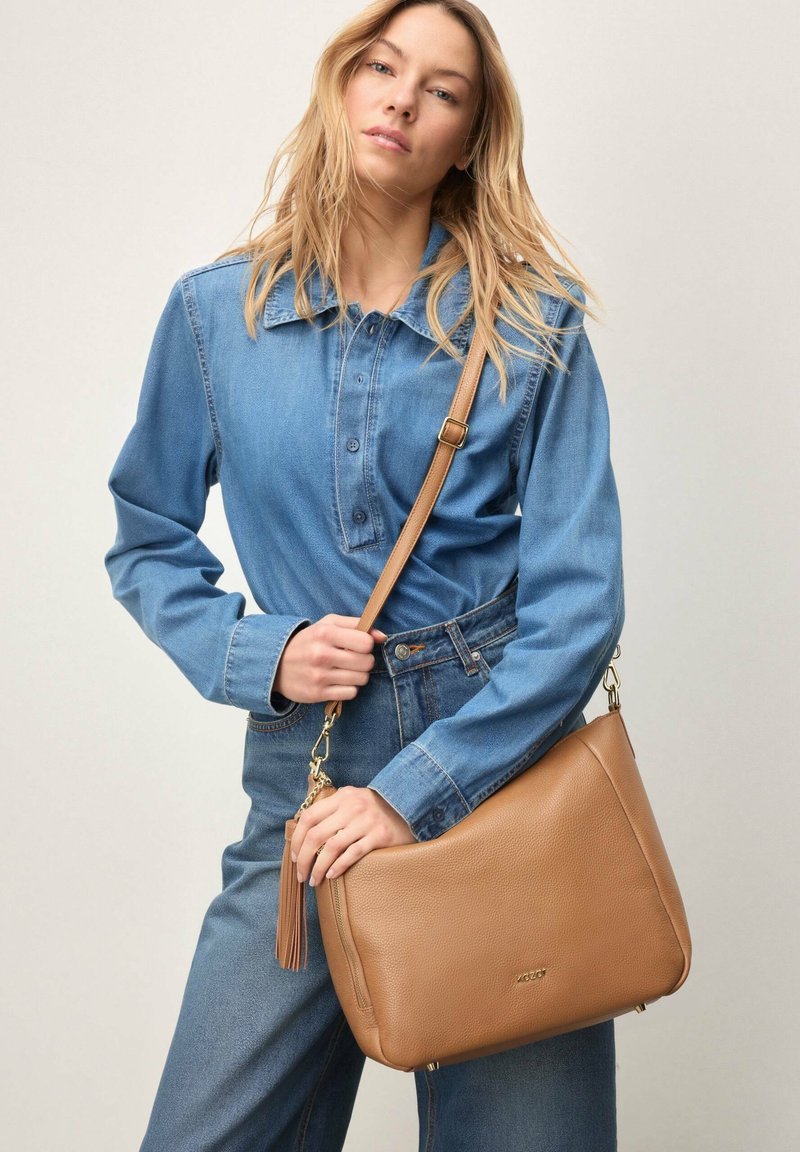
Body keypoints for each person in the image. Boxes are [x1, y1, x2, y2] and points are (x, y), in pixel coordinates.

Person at [104, 1, 625, 1148]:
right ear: (339, 87)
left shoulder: (533, 327)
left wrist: (411, 792)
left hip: (502, 778)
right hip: (308, 781)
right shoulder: (216, 316)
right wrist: (261, 652)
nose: (400, 99)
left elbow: (578, 605)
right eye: (380, 67)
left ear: (467, 138)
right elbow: (145, 535)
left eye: (441, 90)